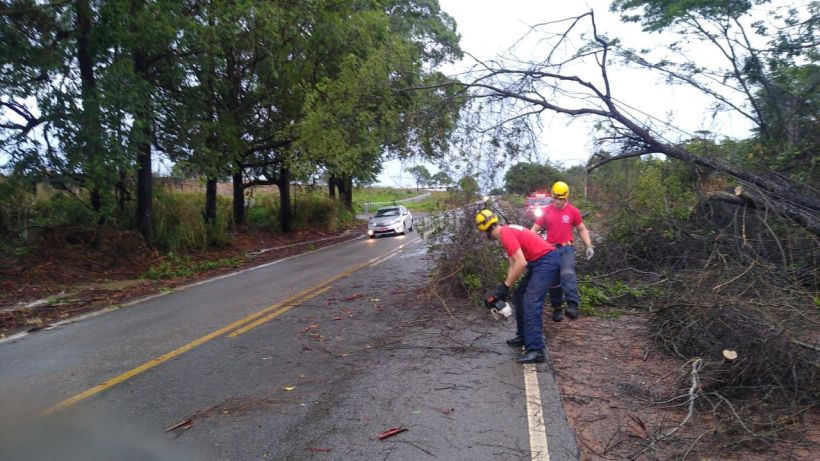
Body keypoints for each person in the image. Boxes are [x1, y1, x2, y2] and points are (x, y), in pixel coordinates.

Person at [476, 209, 561, 364]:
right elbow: (513, 263)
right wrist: (505, 287)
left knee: (530, 302)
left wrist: (505, 287)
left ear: (484, 231)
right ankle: (524, 336)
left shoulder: (506, 234)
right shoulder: (507, 232)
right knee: (520, 295)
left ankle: (536, 350)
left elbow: (521, 262)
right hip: (540, 262)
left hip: (546, 261)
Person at [530, 181, 594, 322]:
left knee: (568, 274)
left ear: (566, 197)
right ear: (553, 196)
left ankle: (572, 306)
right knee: (554, 281)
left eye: (562, 199)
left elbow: (581, 229)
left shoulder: (573, 211)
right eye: (557, 198)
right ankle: (557, 308)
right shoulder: (546, 211)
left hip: (566, 248)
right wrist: (529, 242)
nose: (559, 201)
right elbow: (534, 229)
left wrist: (589, 245)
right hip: (550, 249)